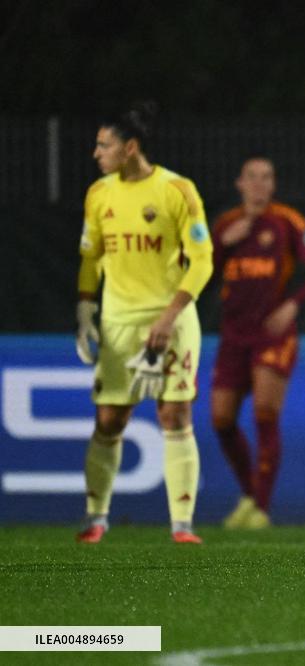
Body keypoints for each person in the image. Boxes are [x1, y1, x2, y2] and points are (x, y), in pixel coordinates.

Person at [74, 102, 213, 544]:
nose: (97, 153)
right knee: (110, 418)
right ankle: (96, 517)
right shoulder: (99, 193)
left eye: (104, 145)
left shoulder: (177, 190)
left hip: (172, 318)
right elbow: (90, 257)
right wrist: (85, 311)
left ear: (130, 147)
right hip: (119, 322)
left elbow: (202, 261)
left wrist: (169, 318)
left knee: (175, 413)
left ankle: (182, 526)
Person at [211, 157, 305, 529]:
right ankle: (251, 494)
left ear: (273, 184)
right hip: (233, 334)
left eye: (266, 177)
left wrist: (291, 305)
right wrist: (221, 246)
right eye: (252, 177)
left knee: (265, 411)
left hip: (272, 333)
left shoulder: (287, 221)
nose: (259, 184)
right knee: (221, 419)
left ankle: (260, 508)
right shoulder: (226, 225)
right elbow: (199, 271)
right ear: (240, 184)